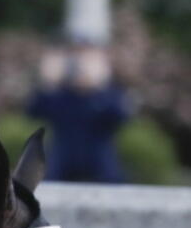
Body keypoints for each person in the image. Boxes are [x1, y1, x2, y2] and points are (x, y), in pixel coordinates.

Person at [26, 41, 132, 183]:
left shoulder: (108, 94)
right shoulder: (60, 95)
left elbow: (120, 116)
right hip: (61, 165)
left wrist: (99, 86)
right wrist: (48, 83)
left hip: (101, 167)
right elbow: (33, 112)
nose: (81, 69)